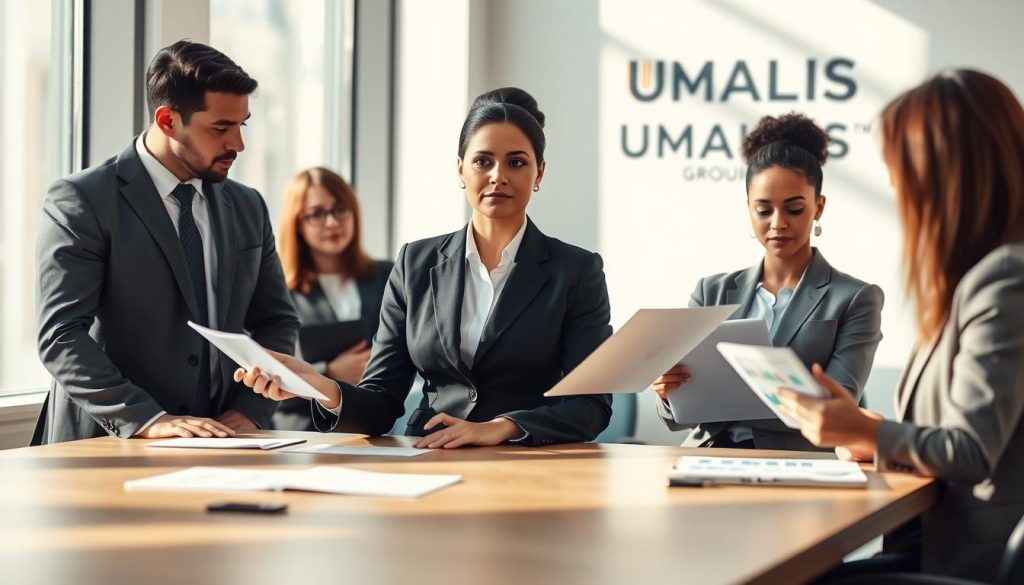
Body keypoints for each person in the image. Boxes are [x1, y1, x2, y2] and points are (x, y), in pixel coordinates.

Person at [236, 87, 613, 448]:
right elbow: (380, 401)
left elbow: (591, 406)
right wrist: (320, 386)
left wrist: (502, 427)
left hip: (525, 459)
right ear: (460, 169)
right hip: (428, 451)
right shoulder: (415, 263)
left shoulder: (576, 271)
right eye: (483, 161)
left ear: (540, 173)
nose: (498, 175)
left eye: (516, 162)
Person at [777, 69, 1024, 582]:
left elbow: (971, 451)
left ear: (947, 179)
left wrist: (867, 428)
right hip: (938, 543)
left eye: (901, 176)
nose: (896, 191)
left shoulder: (1005, 279)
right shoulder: (983, 277)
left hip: (972, 560)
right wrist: (871, 438)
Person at [31, 40, 299, 444]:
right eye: (221, 128)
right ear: (167, 119)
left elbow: (277, 321)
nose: (238, 145)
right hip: (105, 447)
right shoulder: (82, 200)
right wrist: (147, 418)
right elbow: (61, 335)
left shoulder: (248, 206)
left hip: (223, 443)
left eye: (241, 125)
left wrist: (251, 409)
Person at [653, 113, 884, 450]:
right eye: (764, 210)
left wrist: (734, 402)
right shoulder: (710, 292)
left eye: (794, 209)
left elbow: (838, 406)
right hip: (709, 455)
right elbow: (680, 417)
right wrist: (668, 391)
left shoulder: (855, 298)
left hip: (799, 461)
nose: (778, 223)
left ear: (818, 207)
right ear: (748, 208)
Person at [273, 167, 393, 431]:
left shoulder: (388, 276)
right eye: (317, 214)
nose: (332, 222)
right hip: (303, 434)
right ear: (298, 225)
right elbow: (267, 377)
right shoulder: (279, 290)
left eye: (340, 209)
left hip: (373, 430)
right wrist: (328, 373)